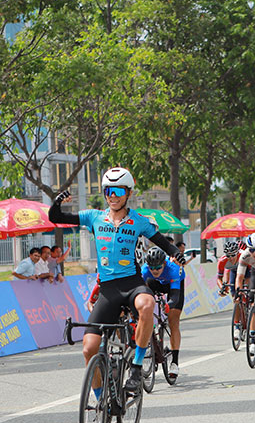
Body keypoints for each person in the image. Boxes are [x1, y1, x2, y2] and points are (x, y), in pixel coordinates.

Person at [48, 167, 183, 400]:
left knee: (147, 304)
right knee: (89, 349)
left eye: (118, 190)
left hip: (132, 283)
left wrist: (176, 254)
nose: (113, 195)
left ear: (128, 193)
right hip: (108, 290)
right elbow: (56, 218)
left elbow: (162, 242)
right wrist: (57, 202)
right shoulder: (94, 217)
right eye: (108, 190)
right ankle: (102, 402)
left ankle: (137, 368)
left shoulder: (138, 221)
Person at [141, 248, 184, 379]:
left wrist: (168, 305)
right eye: (152, 268)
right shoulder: (145, 271)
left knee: (173, 320)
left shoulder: (173, 269)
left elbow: (175, 297)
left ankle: (175, 362)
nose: (155, 271)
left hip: (173, 286)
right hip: (155, 284)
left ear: (164, 264)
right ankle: (152, 342)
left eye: (158, 267)